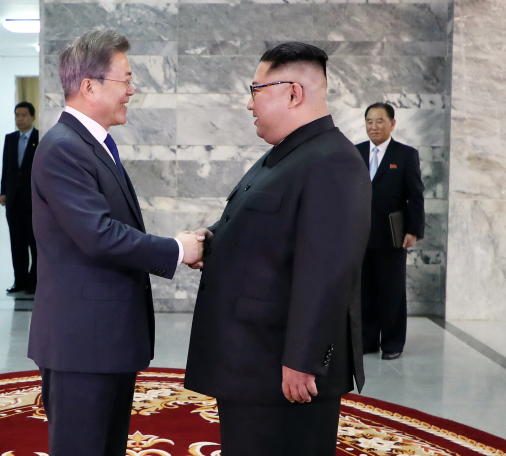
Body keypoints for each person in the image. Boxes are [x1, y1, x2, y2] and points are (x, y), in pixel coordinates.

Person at [184, 42, 372, 456]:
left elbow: (329, 269)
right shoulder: (288, 154)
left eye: (256, 89)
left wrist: (304, 359)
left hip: (286, 372)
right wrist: (209, 241)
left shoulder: (331, 161)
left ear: (293, 92)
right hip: (255, 359)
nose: (249, 104)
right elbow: (264, 233)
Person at [27, 30, 204, 456]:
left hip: (103, 338)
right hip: (81, 342)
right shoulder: (63, 148)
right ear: (90, 86)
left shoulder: (92, 144)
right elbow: (99, 234)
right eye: (125, 80)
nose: (132, 90)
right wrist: (177, 249)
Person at [356, 103, 425, 360]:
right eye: (369, 122)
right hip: (360, 235)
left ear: (392, 123)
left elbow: (415, 196)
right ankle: (368, 340)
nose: (374, 127)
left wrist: (414, 230)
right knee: (364, 291)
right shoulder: (356, 152)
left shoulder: (406, 155)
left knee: (392, 291)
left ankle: (393, 343)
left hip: (393, 235)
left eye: (380, 121)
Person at [0, 101, 39, 294]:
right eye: (17, 115)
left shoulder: (40, 138)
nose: (20, 118)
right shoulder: (10, 139)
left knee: (35, 242)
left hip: (33, 201)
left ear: (33, 117)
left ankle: (34, 281)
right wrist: (4, 192)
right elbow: (6, 168)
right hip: (13, 201)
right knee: (17, 243)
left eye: (23, 115)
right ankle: (20, 280)